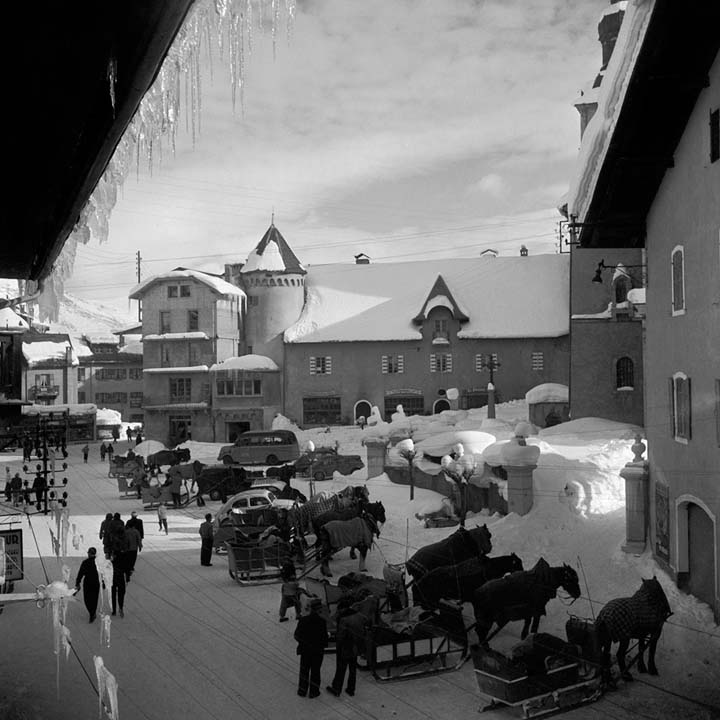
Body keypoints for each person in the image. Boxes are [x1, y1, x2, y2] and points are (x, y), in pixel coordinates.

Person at [326, 600, 367, 698]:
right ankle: (351, 689)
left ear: (342, 609)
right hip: (356, 646)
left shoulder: (344, 619)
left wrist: (336, 641)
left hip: (345, 647)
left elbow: (341, 636)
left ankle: (336, 689)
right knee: (353, 669)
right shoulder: (360, 615)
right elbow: (367, 622)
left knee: (341, 668)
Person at [294, 597, 328, 698]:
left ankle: (302, 690)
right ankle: (314, 692)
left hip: (305, 650)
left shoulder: (303, 620)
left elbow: (296, 635)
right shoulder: (322, 622)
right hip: (317, 651)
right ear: (319, 609)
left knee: (304, 670)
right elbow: (324, 638)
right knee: (315, 671)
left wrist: (303, 643)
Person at [74, 547, 101, 622]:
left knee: (87, 599)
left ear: (89, 553)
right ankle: (93, 613)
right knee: (94, 599)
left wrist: (78, 582)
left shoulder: (85, 562)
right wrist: (103, 582)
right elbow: (102, 573)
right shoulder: (98, 562)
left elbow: (80, 573)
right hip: (96, 582)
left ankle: (92, 613)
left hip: (88, 583)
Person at [110, 551, 126, 618]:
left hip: (114, 578)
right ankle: (120, 608)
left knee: (113, 594)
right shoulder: (123, 560)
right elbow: (126, 569)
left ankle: (114, 610)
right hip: (120, 578)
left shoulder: (111, 562)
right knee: (121, 594)